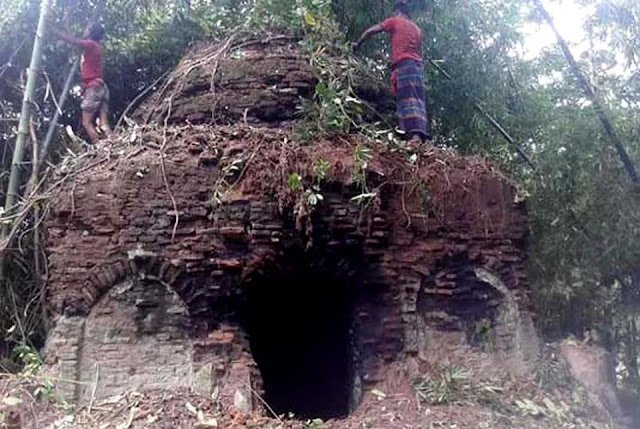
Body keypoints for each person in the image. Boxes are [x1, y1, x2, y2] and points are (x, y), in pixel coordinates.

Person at [354, 1, 431, 146]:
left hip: (405, 66)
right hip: (417, 68)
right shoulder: (417, 30)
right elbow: (413, 51)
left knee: (408, 100)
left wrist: (358, 43)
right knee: (418, 100)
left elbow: (371, 31)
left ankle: (414, 138)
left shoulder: (395, 21)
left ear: (398, 12)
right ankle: (417, 136)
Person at [52, 20, 112, 144]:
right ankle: (114, 144)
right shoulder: (95, 46)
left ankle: (101, 148)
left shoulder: (90, 45)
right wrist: (66, 23)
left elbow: (74, 41)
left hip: (94, 88)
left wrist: (53, 31)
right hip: (102, 87)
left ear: (91, 32)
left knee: (86, 122)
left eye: (87, 28)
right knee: (103, 123)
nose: (85, 30)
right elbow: (76, 41)